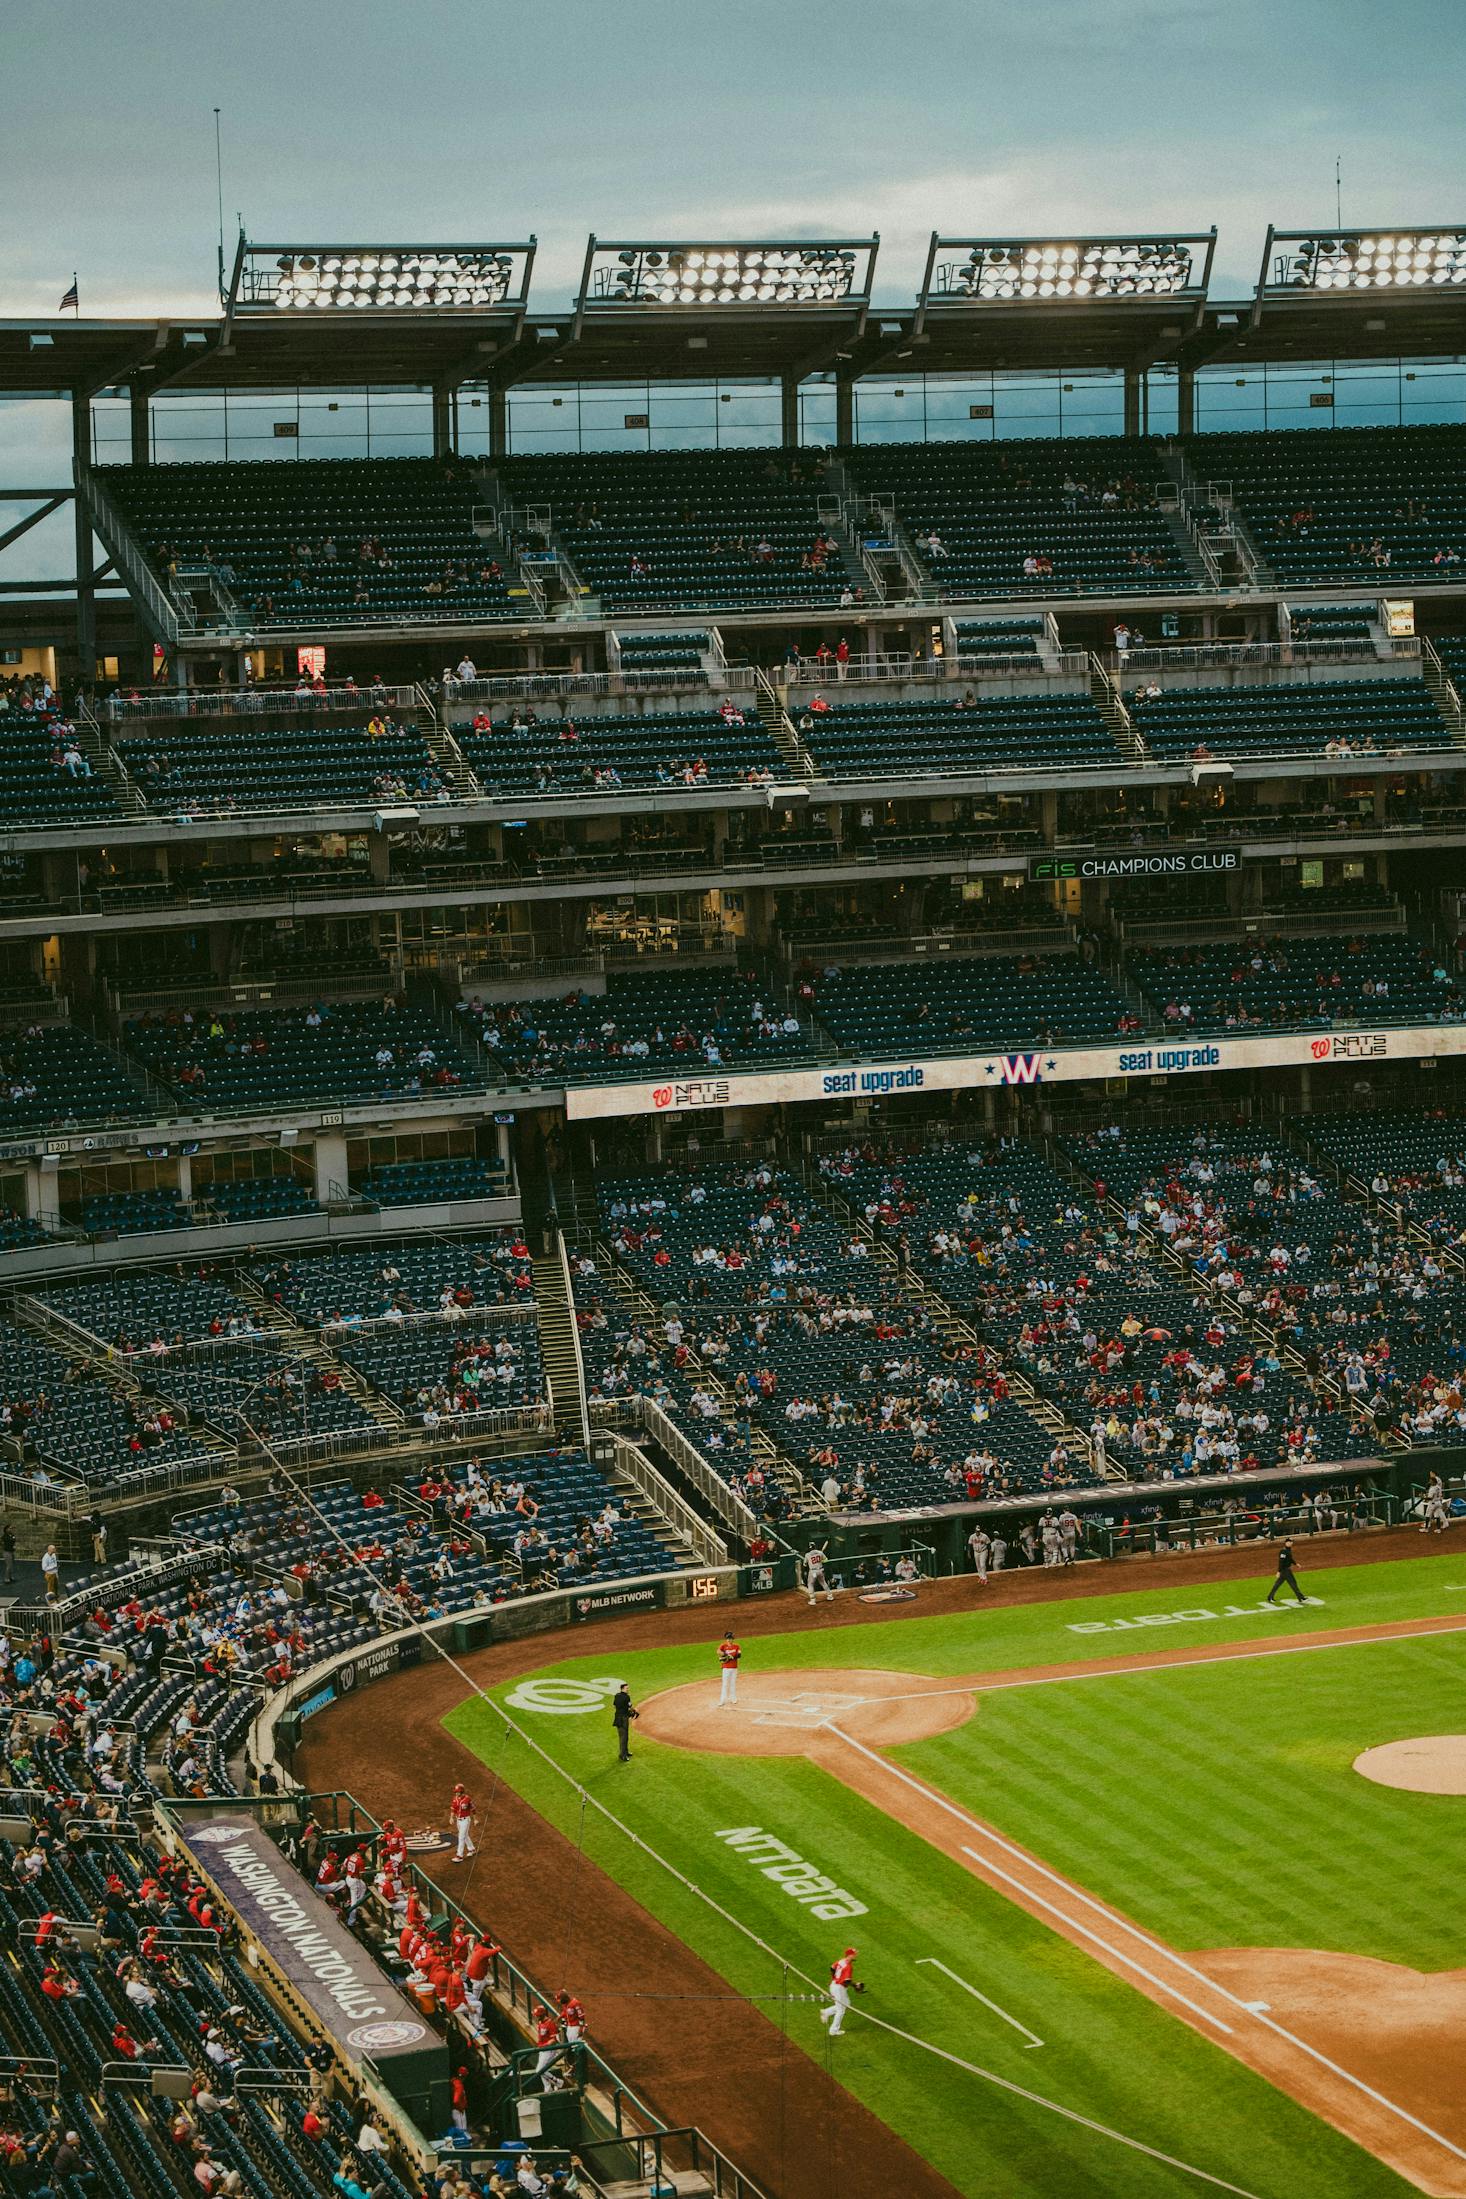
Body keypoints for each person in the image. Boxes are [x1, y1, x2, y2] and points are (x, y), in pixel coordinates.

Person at [817, 1946, 864, 2037]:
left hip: (835, 1985)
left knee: (846, 2003)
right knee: (841, 2010)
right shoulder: (848, 1967)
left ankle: (826, 2012)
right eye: (854, 1954)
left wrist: (834, 1978)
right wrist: (855, 1985)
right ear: (849, 1955)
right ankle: (833, 2030)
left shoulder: (841, 1961)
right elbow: (846, 1981)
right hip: (839, 1989)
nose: (855, 1956)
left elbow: (832, 1968)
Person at [1265, 1537, 1306, 1605]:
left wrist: (1296, 1564)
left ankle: (1270, 1597)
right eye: (1290, 1542)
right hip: (1285, 1570)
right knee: (1293, 1584)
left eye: (1292, 1542)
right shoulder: (1283, 1551)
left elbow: (1290, 1559)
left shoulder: (1288, 1550)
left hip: (1285, 1570)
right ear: (1286, 1543)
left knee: (1277, 1584)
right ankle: (1301, 1598)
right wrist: (1278, 1571)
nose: (1291, 1543)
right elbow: (1281, 1562)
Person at [449, 1783, 477, 1862]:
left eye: (458, 1792)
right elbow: (453, 1809)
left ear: (462, 1792)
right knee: (465, 1835)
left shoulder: (467, 1799)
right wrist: (451, 1818)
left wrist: (475, 1819)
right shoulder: (455, 1799)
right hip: (458, 1820)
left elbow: (473, 1809)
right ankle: (472, 1849)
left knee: (461, 1837)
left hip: (465, 1821)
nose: (456, 1793)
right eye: (456, 1792)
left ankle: (459, 1856)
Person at [611, 1683, 638, 1762]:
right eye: (626, 1688)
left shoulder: (617, 1695)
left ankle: (625, 1752)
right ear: (622, 1689)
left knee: (624, 1736)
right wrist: (634, 1711)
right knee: (624, 1737)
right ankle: (623, 1755)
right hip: (623, 1719)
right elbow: (630, 1707)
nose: (628, 1689)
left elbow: (614, 1706)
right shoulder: (626, 1697)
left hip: (617, 1717)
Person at [717, 1629, 741, 1707]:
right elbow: (718, 1652)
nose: (729, 1640)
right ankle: (722, 1700)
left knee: (732, 1683)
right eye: (728, 1638)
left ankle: (733, 1698)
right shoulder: (723, 1646)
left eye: (730, 1638)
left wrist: (732, 1656)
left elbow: (739, 1655)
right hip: (726, 1668)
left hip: (734, 1668)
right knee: (725, 1684)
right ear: (726, 1639)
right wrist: (725, 1655)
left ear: (732, 1639)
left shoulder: (737, 1646)